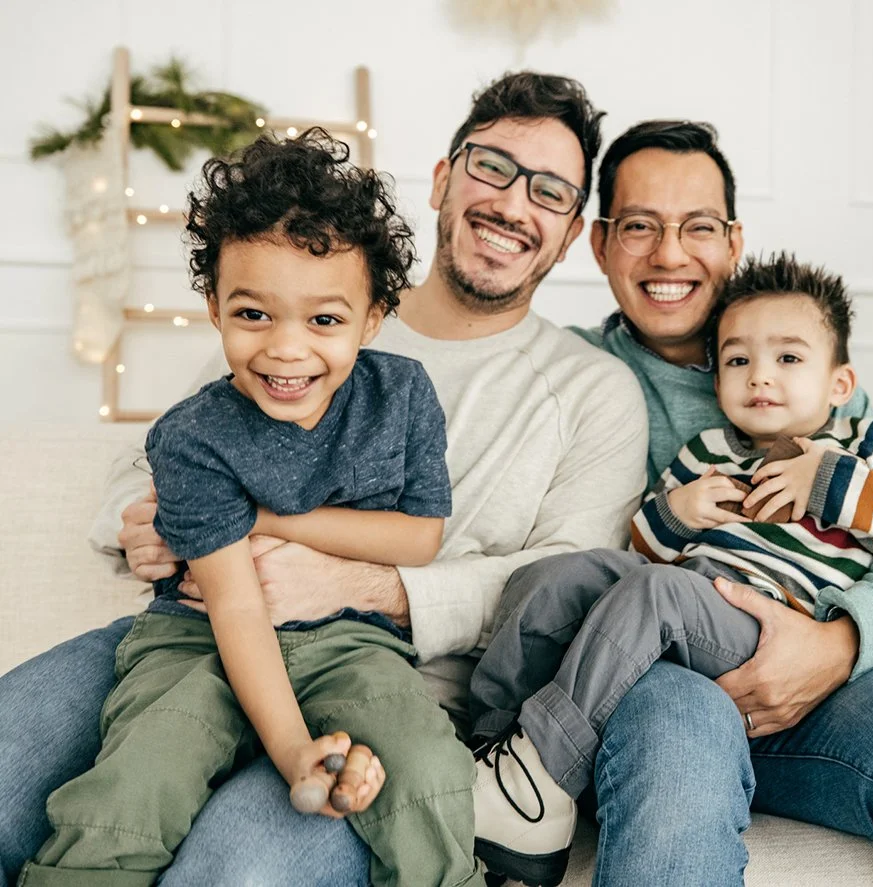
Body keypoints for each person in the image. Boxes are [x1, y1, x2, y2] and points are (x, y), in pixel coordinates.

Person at [0, 72, 647, 887]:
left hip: (380, 671)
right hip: (190, 628)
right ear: (444, 180)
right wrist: (153, 523)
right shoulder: (289, 297)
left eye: (550, 190)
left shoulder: (590, 390)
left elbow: (569, 587)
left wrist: (372, 585)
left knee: (233, 872)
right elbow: (154, 462)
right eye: (492, 166)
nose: (515, 203)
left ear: (570, 229)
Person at [520, 119, 873, 886]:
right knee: (678, 760)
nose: (670, 254)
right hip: (658, 682)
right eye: (639, 226)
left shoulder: (803, 362)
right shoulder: (570, 375)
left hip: (828, 674)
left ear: (733, 242)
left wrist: (834, 647)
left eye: (698, 227)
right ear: (600, 243)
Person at [19, 128, 487, 887]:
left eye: (325, 320)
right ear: (213, 307)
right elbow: (237, 608)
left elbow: (422, 536)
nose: (286, 350)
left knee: (430, 772)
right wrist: (296, 750)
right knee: (138, 781)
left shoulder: (402, 397)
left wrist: (268, 521)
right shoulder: (193, 437)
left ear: (373, 319)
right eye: (254, 314)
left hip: (352, 642)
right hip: (197, 635)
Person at [467, 252, 873, 884]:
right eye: (738, 361)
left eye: (789, 359)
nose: (760, 378)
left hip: (766, 628)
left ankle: (542, 773)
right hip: (678, 618)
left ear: (840, 384)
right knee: (554, 578)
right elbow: (641, 550)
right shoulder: (707, 451)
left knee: (659, 593)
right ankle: (490, 749)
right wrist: (678, 512)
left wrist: (829, 480)